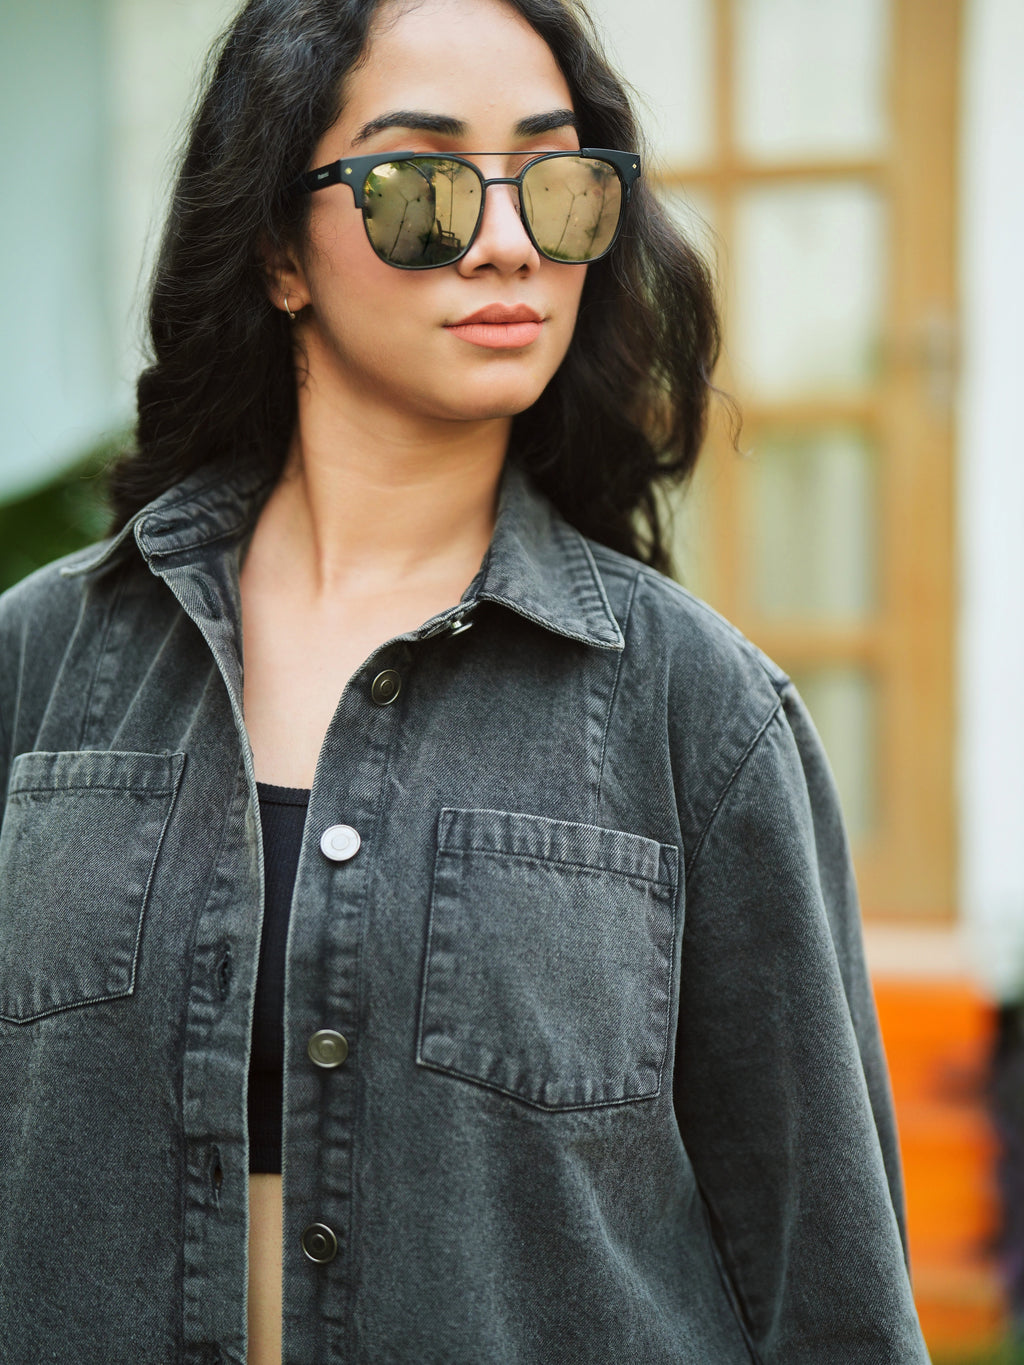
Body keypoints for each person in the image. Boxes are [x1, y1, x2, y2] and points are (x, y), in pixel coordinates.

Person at [0, 0, 928, 1361]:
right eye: (420, 186)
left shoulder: (706, 720)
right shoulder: (41, 670)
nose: (507, 241)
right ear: (275, 250)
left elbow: (832, 1297)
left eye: (556, 183)